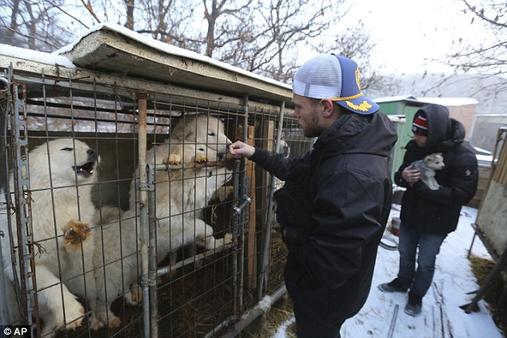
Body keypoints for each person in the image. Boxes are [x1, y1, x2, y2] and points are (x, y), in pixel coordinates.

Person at [229, 54, 397, 338]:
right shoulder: (341, 145)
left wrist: (289, 217)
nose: (295, 114)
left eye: (298, 107)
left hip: (326, 299)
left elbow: (330, 265)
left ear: (327, 106)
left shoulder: (352, 173)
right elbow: (297, 170)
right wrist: (254, 152)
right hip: (327, 291)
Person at [378, 104, 478, 316]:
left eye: (421, 134)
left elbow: (463, 194)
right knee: (405, 253)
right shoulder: (416, 147)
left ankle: (416, 297)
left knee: (425, 262)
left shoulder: (462, 155)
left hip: (437, 222)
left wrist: (422, 188)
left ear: (435, 132)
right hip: (411, 215)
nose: (416, 137)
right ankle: (402, 281)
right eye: (414, 132)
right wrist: (403, 177)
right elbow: (399, 175)